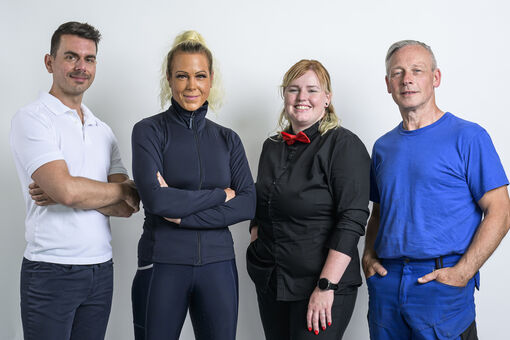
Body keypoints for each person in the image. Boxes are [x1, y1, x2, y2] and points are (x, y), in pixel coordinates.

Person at [363, 40, 510, 340]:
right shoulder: (382, 147)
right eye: (398, 72)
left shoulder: (468, 137)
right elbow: (379, 212)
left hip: (440, 285)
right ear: (388, 84)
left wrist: (462, 272)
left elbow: (501, 211)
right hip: (387, 287)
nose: (407, 79)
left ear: (436, 78)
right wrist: (368, 255)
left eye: (417, 70)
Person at [9, 21, 140, 340]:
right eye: (71, 57)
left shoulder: (102, 129)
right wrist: (77, 191)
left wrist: (76, 191)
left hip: (101, 270)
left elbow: (129, 205)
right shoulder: (33, 118)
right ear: (49, 62)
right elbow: (68, 191)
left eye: (89, 58)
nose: (81, 67)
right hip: (51, 271)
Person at [130, 30, 256, 340]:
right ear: (169, 79)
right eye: (182, 76)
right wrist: (219, 195)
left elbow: (247, 202)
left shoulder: (228, 139)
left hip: (218, 266)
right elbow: (158, 203)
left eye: (200, 76)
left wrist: (182, 213)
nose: (191, 85)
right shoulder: (148, 132)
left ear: (211, 79)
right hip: (162, 263)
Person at [247, 59, 370, 340]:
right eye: (293, 89)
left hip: (322, 287)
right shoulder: (272, 146)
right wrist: (257, 244)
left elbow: (352, 220)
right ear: (284, 95)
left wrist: (326, 286)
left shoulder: (344, 145)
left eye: (312, 90)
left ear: (327, 98)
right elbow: (260, 203)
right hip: (273, 282)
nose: (302, 97)